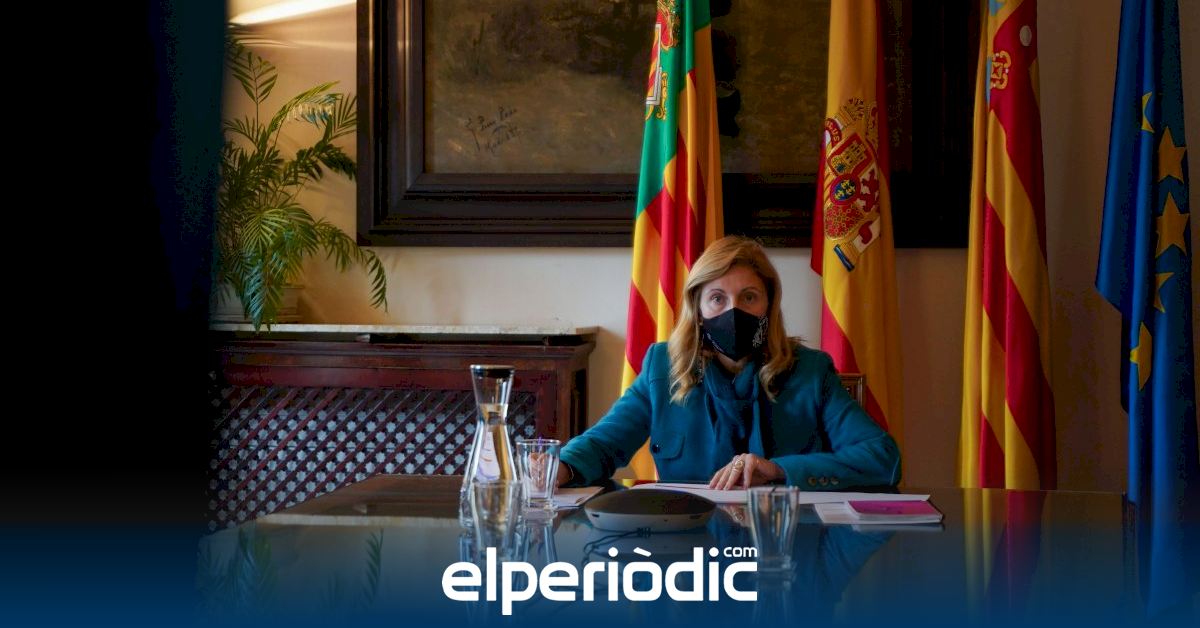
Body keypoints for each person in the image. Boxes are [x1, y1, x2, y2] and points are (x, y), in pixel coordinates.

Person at [557, 236, 900, 490]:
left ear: (769, 306)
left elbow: (882, 457)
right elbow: (603, 443)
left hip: (783, 540)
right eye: (717, 298)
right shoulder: (662, 367)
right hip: (692, 544)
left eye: (749, 297)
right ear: (698, 311)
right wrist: (562, 467)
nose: (733, 311)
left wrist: (780, 470)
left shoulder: (811, 371)